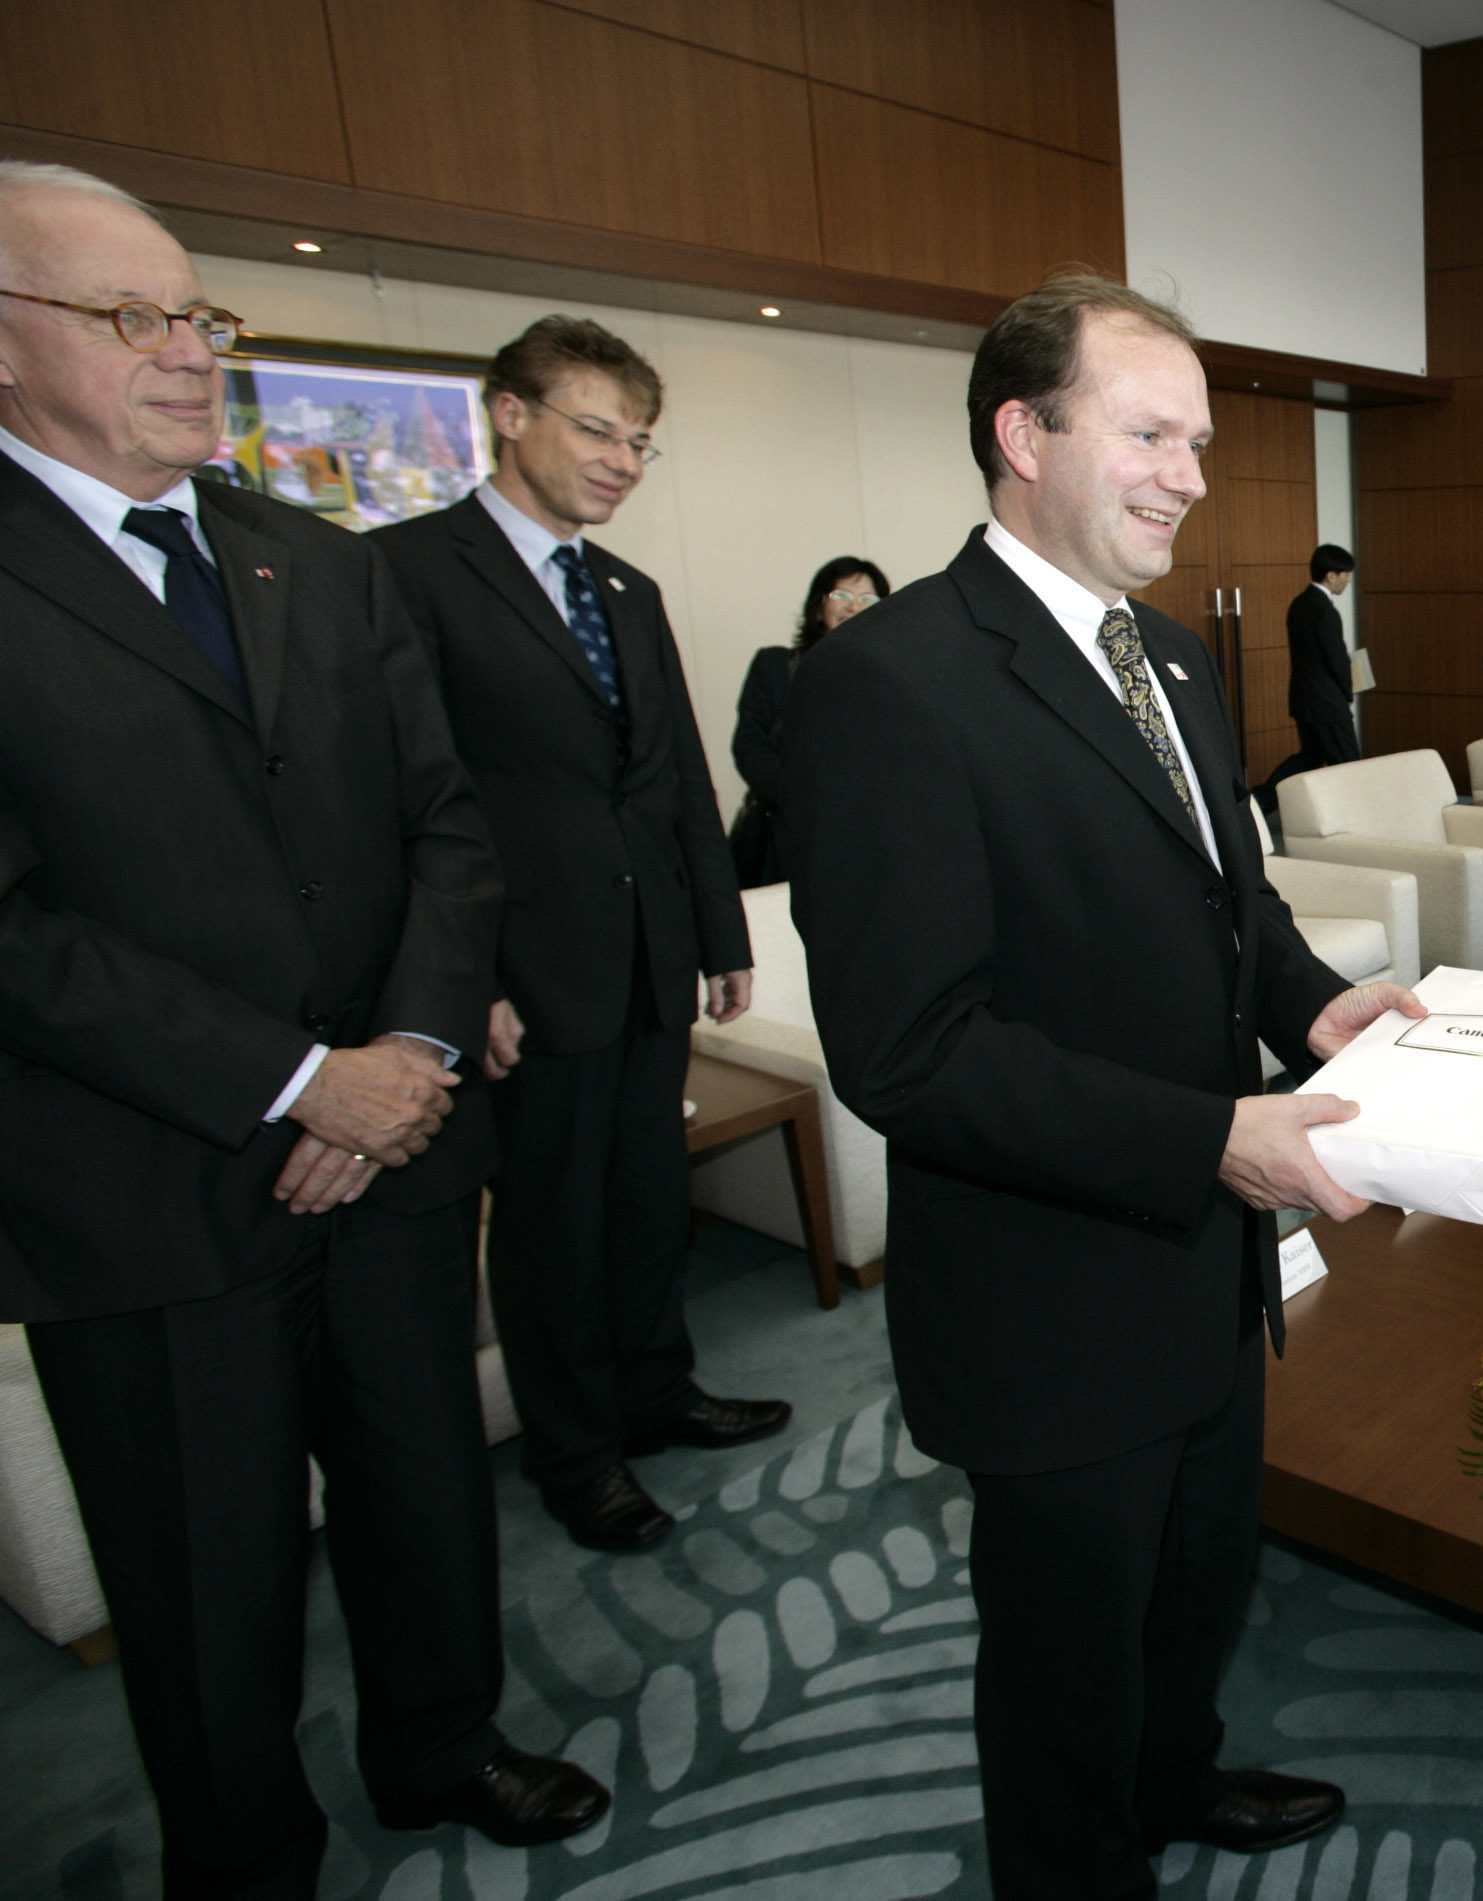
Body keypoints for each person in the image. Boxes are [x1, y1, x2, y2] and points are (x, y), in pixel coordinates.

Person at [0, 161, 605, 1894]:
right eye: (134, 317)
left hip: (397, 1155)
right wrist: (294, 1085)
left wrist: (403, 1062)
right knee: (208, 1571)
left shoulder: (314, 564)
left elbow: (447, 827)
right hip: (152, 1194)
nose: (193, 351)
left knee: (425, 1489)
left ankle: (441, 1743)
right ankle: (243, 1849)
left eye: (202, 313)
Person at [784, 273, 1421, 1898]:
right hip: (1049, 1294)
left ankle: (1173, 1778)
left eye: (1196, 441)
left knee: (1198, 1576)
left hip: (1204, 1264)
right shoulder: (887, 683)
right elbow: (911, 1048)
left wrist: (1322, 1008)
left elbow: (1233, 910)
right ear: (1024, 434)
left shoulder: (1175, 664)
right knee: (1064, 1650)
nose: (1189, 477)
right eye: (1150, 436)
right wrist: (1211, 1138)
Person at [375, 316, 787, 1555]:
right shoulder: (405, 572)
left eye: (640, 442)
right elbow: (399, 800)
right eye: (599, 430)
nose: (621, 461)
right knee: (553, 1227)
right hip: (523, 972)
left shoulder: (625, 589)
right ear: (510, 414)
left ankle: (657, 1389)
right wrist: (462, 982)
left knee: (651, 1202)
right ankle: (575, 1452)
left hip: (649, 956)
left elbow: (673, 781)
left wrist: (719, 931)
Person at [730, 554, 887, 887]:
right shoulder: (774, 667)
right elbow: (749, 747)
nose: (854, 606)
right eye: (841, 595)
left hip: (867, 838)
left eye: (868, 599)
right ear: (818, 609)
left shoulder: (891, 681)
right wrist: (808, 800)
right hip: (790, 835)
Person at [1262, 542, 1358, 799]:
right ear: (1331, 575)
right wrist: (1348, 693)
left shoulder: (1299, 604)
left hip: (1305, 700)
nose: (1348, 580)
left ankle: (1260, 799)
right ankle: (1355, 811)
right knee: (1349, 763)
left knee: (1310, 757)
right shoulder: (1325, 610)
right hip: (1328, 702)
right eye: (1346, 574)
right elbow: (1336, 659)